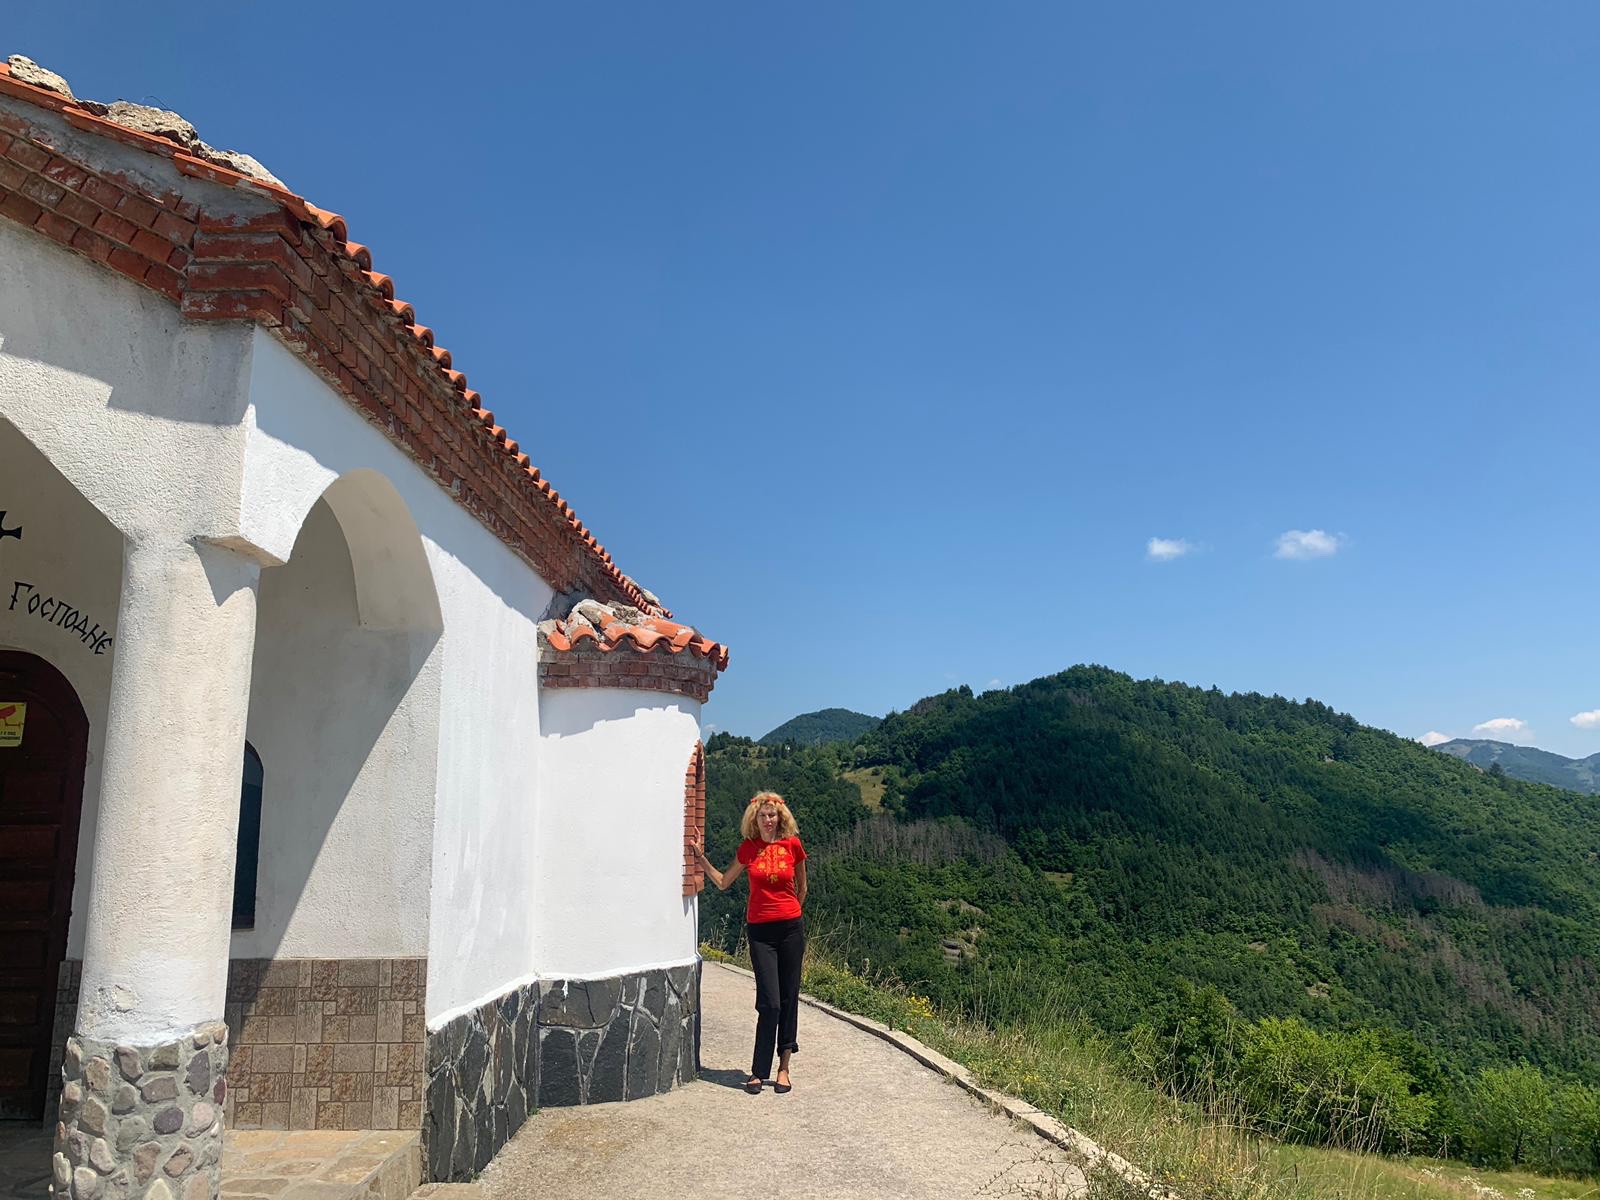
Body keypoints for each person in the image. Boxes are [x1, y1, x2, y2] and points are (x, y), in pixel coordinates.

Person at [692, 791, 807, 1094]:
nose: (768, 820)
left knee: (789, 998)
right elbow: (723, 882)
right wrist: (700, 858)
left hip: (791, 930)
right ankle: (759, 1070)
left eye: (772, 815)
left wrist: (788, 913)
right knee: (770, 1002)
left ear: (780, 817)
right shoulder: (748, 848)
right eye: (763, 816)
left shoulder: (792, 845)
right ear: (754, 820)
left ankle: (783, 1069)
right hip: (760, 933)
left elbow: (802, 888)